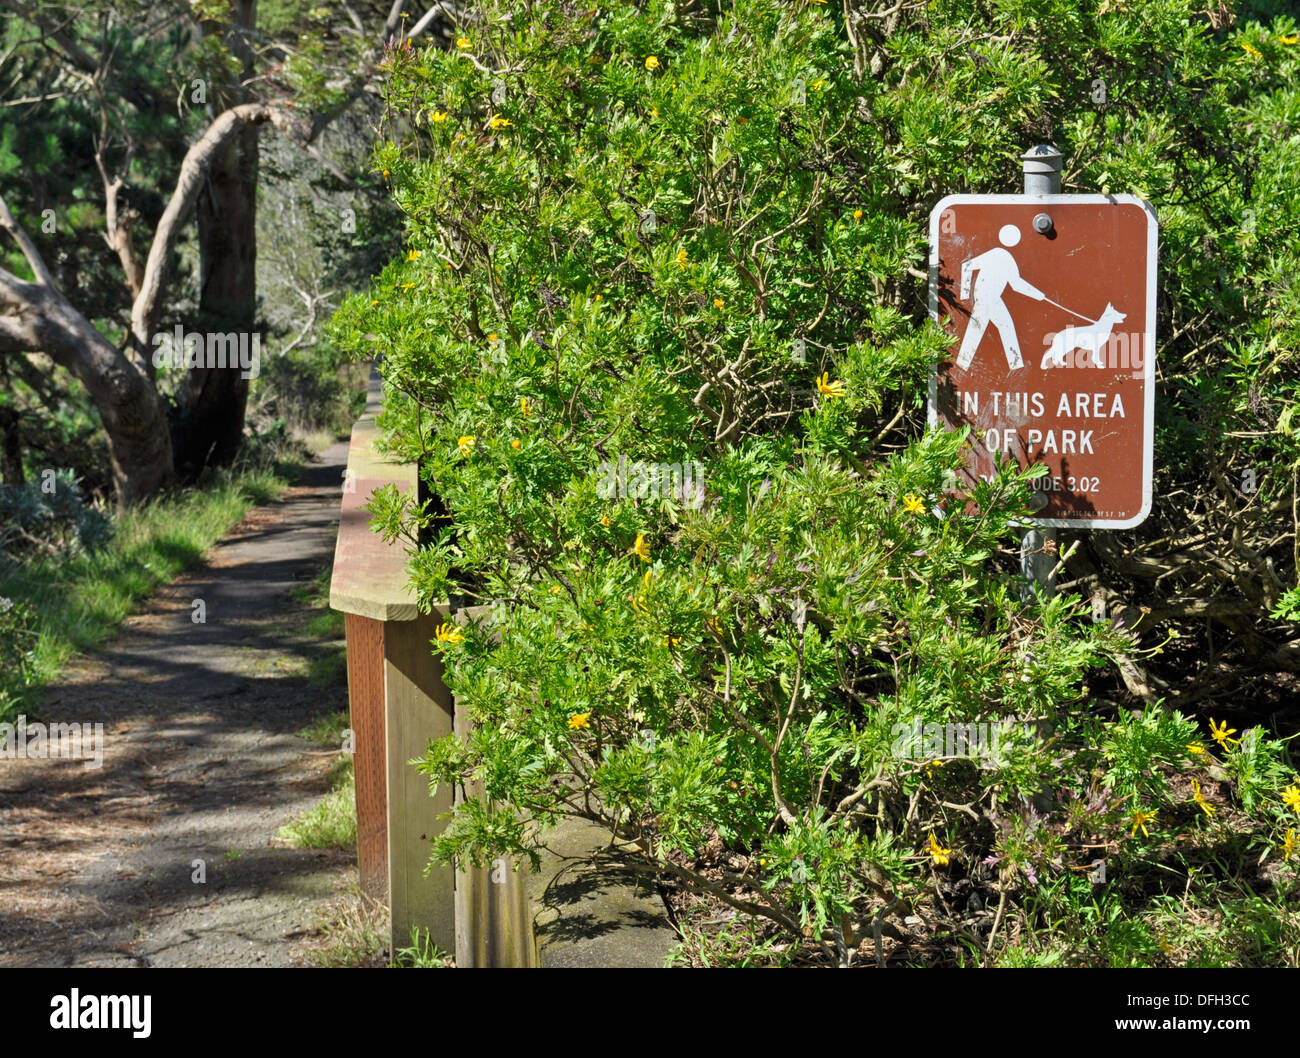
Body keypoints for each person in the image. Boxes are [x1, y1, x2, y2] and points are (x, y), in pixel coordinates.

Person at [956, 224, 1045, 370]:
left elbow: (1016, 284)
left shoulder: (1007, 258)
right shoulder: (997, 253)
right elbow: (967, 266)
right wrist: (965, 295)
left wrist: (1039, 295)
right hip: (986, 297)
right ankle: (1014, 366)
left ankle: (1014, 366)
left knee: (998, 326)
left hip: (992, 298)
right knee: (991, 327)